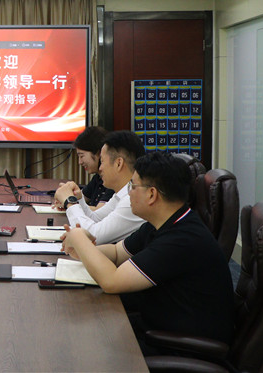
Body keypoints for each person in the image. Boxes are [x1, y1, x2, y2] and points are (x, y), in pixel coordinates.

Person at [61, 151, 235, 353]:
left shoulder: (182, 239)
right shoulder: (162, 222)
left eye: (133, 186)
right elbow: (117, 252)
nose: (129, 193)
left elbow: (111, 281)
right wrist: (84, 251)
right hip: (159, 326)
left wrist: (79, 238)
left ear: (152, 194)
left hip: (181, 346)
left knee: (82, 344)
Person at [54, 130, 146, 245]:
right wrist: (78, 198)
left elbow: (92, 236)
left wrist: (70, 201)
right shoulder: (122, 193)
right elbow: (95, 218)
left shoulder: (133, 200)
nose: (100, 168)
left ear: (118, 163)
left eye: (102, 161)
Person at [73, 126, 115, 208]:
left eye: (82, 156)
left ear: (98, 153)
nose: (80, 162)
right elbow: (81, 198)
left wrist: (69, 204)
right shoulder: (98, 178)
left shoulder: (113, 180)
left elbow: (98, 212)